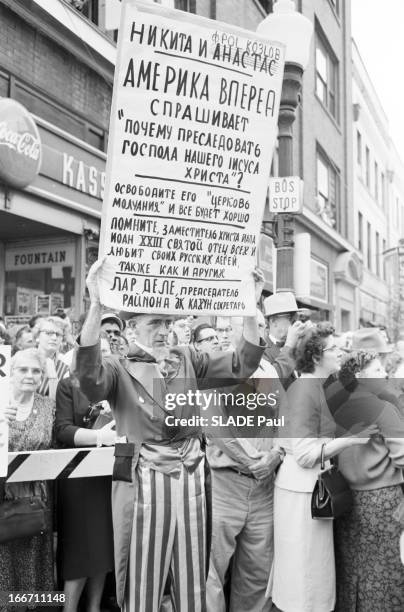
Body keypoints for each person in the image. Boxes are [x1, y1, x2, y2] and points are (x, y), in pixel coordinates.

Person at [74, 258, 265, 612]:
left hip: (193, 478)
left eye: (168, 322)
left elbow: (243, 363)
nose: (165, 330)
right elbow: (87, 377)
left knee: (193, 577)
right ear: (132, 330)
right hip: (143, 482)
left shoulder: (189, 357)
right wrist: (96, 305)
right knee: (143, 580)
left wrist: (250, 308)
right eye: (154, 323)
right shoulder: (117, 367)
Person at [271, 323, 376, 612]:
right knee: (304, 576)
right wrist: (350, 440)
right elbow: (305, 454)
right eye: (334, 349)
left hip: (309, 490)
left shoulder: (316, 385)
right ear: (316, 356)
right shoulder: (305, 391)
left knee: (311, 574)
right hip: (301, 493)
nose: (341, 352)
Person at [206, 310, 284, 612]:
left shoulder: (269, 369)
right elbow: (215, 428)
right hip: (226, 486)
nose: (260, 330)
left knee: (257, 574)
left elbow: (287, 418)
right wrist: (254, 462)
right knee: (212, 572)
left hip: (263, 490)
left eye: (262, 324)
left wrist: (276, 456)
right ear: (231, 329)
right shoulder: (215, 367)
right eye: (251, 323)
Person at [333, 351, 404, 611]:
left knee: (353, 569)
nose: (383, 374)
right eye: (376, 371)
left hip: (348, 501)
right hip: (383, 502)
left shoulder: (338, 408)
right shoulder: (384, 409)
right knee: (385, 572)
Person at [56, 336, 115, 612]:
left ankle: (94, 608)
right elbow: (62, 430)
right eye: (96, 352)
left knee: (104, 549)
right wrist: (99, 436)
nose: (101, 357)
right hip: (79, 478)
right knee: (81, 550)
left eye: (107, 352)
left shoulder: (118, 386)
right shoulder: (69, 384)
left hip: (111, 478)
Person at [0, 348, 55, 597]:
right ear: (10, 373)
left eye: (36, 371)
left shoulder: (49, 406)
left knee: (34, 560)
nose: (30, 375)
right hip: (4, 498)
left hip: (36, 499)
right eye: (23, 369)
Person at [262, 292, 306, 389]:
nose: (296, 322)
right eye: (290, 318)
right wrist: (289, 345)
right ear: (273, 321)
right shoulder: (261, 351)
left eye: (296, 317)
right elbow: (270, 384)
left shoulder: (297, 346)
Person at [34, 316, 69, 398]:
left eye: (58, 334)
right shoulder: (23, 359)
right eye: (48, 333)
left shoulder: (65, 368)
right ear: (37, 336)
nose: (54, 338)